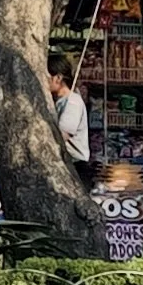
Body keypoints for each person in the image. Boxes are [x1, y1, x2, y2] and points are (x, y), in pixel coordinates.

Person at [47, 56, 92, 189]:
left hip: (74, 167)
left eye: (47, 76)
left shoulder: (72, 102)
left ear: (58, 78)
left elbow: (61, 135)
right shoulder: (58, 102)